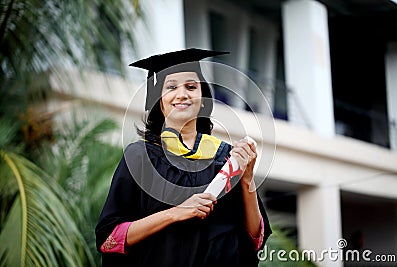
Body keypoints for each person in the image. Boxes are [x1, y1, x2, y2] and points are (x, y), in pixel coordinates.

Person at [95, 48, 272, 267]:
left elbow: (255, 239)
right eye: (171, 87)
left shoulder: (227, 158)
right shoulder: (140, 157)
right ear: (158, 100)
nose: (182, 94)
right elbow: (110, 240)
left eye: (191, 86)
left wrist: (247, 179)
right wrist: (176, 213)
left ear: (203, 98)